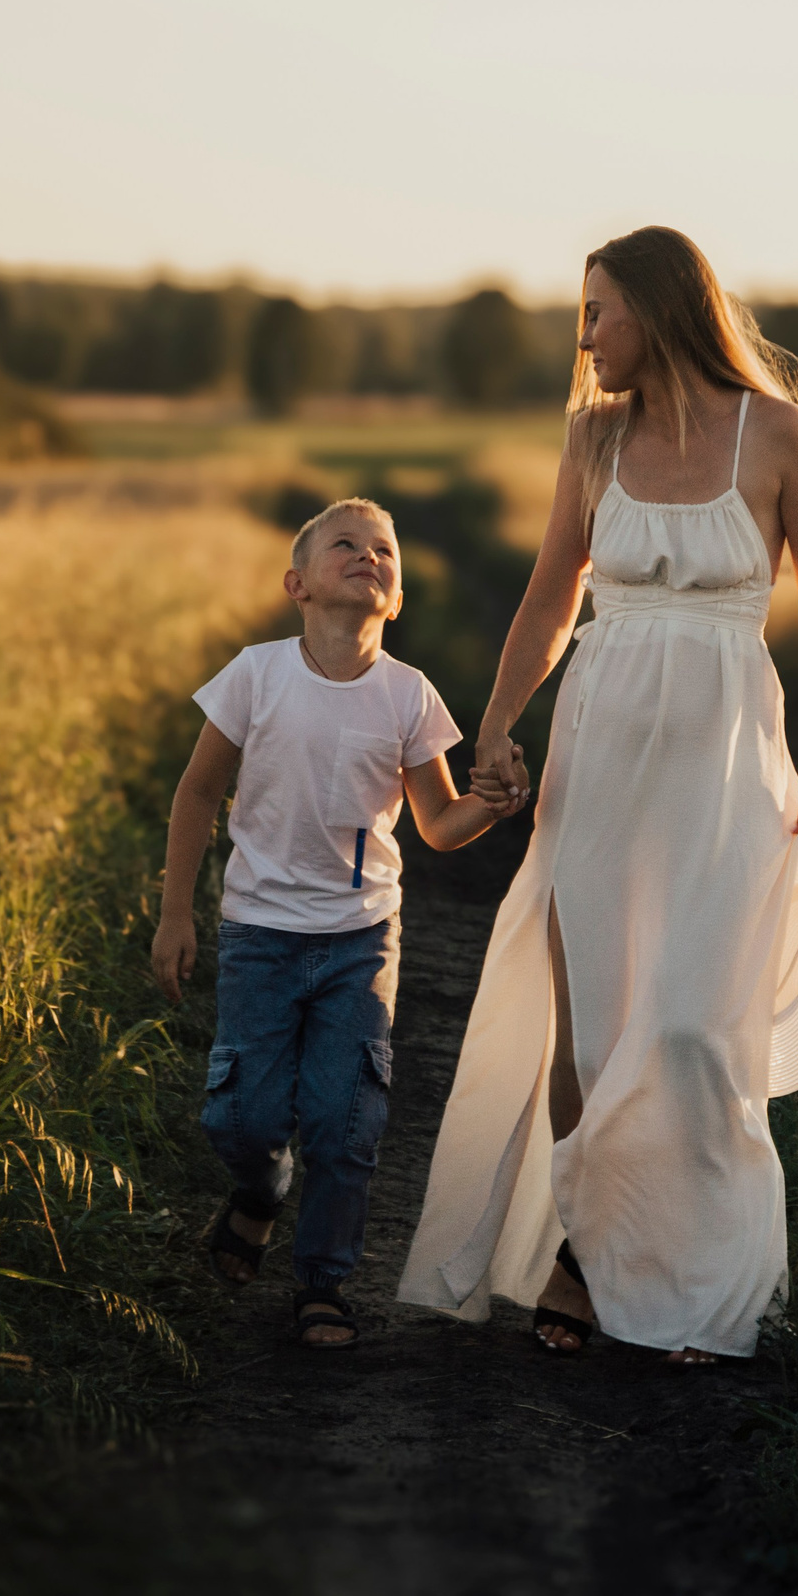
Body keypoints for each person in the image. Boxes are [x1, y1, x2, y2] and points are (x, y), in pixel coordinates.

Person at [397, 226, 798, 1364]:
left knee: (696, 1025)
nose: (586, 336)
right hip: (598, 751)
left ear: (658, 308)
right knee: (592, 1030)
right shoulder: (593, 438)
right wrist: (496, 723)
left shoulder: (776, 433)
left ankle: (709, 1285)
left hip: (725, 761)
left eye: (597, 311)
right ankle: (588, 1251)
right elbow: (553, 594)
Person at [153, 498, 523, 1349]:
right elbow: (198, 791)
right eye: (344, 545)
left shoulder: (408, 694)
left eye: (383, 550)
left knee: (345, 1119)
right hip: (258, 932)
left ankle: (322, 1279)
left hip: (360, 940)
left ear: (398, 598)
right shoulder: (254, 675)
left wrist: (493, 804)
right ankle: (259, 1190)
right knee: (241, 1119)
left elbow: (439, 824)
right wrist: (176, 913)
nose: (368, 556)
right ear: (298, 586)